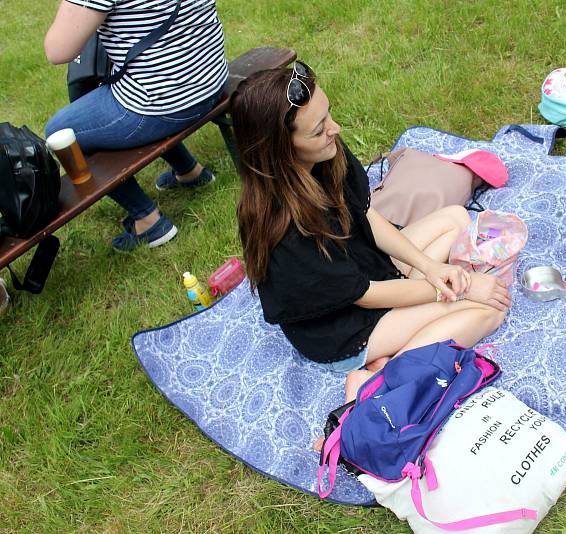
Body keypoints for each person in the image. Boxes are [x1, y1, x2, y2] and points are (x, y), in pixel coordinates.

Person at [230, 62, 510, 406]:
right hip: (342, 327)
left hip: (365, 265)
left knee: (455, 217)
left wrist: (429, 267)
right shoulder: (285, 228)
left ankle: (402, 327)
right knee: (485, 309)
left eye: (328, 115)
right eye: (318, 130)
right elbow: (364, 295)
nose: (335, 129)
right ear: (280, 150)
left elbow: (365, 212)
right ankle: (380, 380)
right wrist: (449, 289)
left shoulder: (327, 151)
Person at [43, 0, 228, 251]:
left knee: (62, 131)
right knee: (137, 88)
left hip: (165, 102)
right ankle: (189, 172)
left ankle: (148, 221)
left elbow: (57, 50)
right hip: (209, 79)